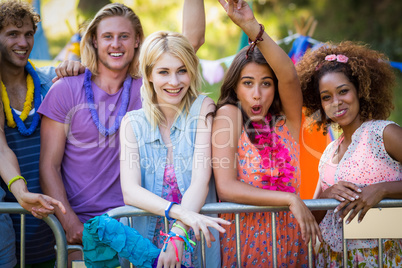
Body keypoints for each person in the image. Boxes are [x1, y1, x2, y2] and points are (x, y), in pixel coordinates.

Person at [38, 1, 206, 266]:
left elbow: (187, 44)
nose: (116, 44)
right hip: (84, 231)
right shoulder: (65, 90)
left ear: (137, 40)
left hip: (139, 228)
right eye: (108, 36)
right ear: (93, 40)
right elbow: (49, 166)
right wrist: (69, 223)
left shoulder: (150, 89)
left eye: (124, 36)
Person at [211, 0, 323, 267]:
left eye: (266, 83)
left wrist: (251, 27)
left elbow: (289, 77)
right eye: (248, 83)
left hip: (293, 242)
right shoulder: (230, 116)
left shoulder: (288, 122)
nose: (257, 93)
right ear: (235, 87)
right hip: (247, 244)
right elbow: (226, 188)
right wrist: (288, 198)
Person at [119, 30, 230, 268]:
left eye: (182, 70)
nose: (174, 82)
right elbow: (130, 190)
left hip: (192, 240)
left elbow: (201, 180)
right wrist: (179, 213)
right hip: (148, 244)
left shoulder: (203, 107)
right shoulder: (131, 123)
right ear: (148, 75)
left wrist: (179, 232)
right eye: (163, 72)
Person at [296, 41, 402, 267]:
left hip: (384, 257)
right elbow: (314, 217)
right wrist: (327, 196)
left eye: (343, 91)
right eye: (326, 97)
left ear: (360, 90)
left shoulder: (384, 133)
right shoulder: (328, 153)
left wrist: (383, 190)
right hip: (333, 259)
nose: (336, 102)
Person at [0, 1, 71, 266]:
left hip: (51, 227)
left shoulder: (52, 81)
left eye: (29, 33)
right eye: (12, 34)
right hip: (9, 226)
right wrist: (20, 192)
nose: (23, 42)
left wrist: (75, 71)